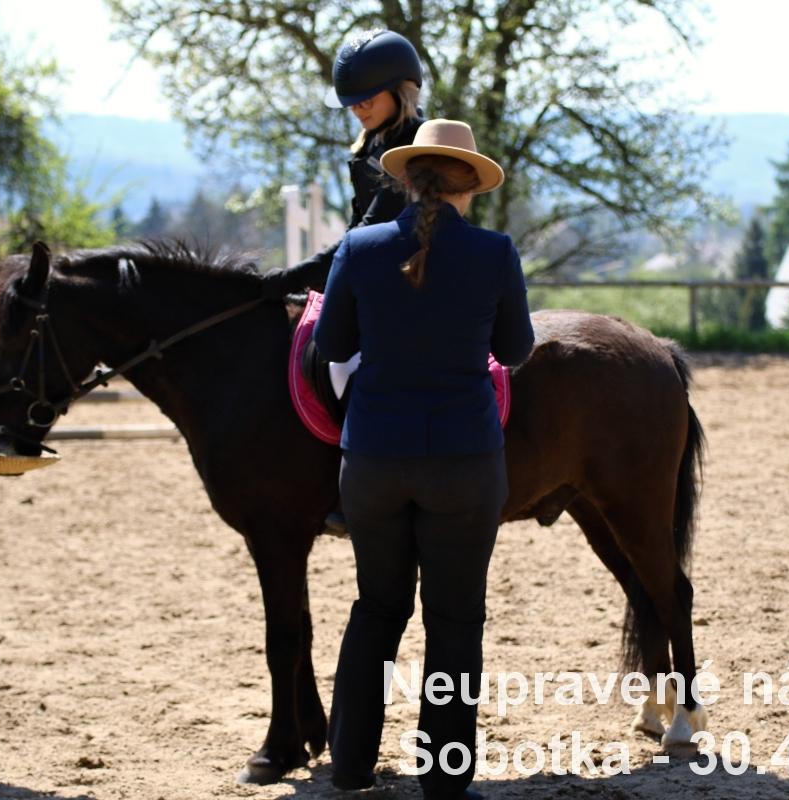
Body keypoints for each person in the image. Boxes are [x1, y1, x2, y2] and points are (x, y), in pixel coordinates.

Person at [314, 120, 535, 800]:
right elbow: (516, 349)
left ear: (408, 180)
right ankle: (443, 779)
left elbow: (331, 346)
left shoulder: (359, 247)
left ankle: (350, 767)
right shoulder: (495, 253)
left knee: (377, 609)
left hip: (373, 461)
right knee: (455, 620)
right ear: (470, 186)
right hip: (464, 462)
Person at [262, 28, 426, 299]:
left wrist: (293, 278)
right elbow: (356, 229)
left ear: (400, 92)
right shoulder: (372, 145)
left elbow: (370, 230)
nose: (357, 110)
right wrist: (316, 285)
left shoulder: (415, 146)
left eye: (367, 101)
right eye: (353, 103)